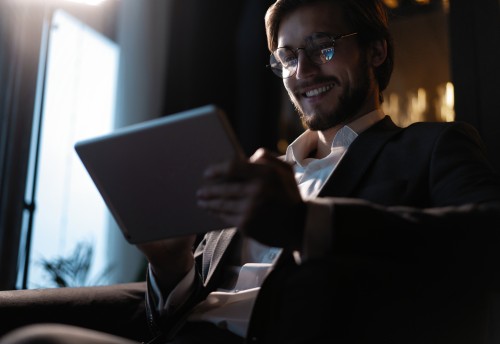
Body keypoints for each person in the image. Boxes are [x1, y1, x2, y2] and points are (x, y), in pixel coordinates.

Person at [1, 0, 500, 343]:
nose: (302, 72)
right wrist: (171, 264)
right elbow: (171, 315)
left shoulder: (430, 146)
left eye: (323, 47)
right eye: (287, 56)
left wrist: (308, 223)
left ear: (375, 51)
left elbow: (485, 237)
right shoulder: (254, 175)